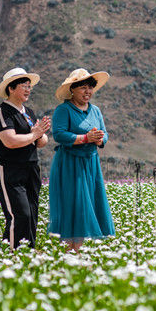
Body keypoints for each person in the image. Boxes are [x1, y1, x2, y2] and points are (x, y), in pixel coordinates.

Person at [48, 68, 115, 252]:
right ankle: (71, 250)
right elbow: (59, 135)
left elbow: (104, 133)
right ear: (73, 90)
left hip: (90, 163)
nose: (88, 92)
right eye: (83, 88)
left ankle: (79, 250)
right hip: (70, 163)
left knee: (88, 205)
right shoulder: (64, 110)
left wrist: (100, 139)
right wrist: (85, 138)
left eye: (90, 88)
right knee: (74, 205)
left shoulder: (95, 110)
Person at [0, 67, 51, 250]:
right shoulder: (3, 112)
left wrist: (40, 134)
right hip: (10, 168)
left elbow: (41, 142)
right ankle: (12, 254)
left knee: (32, 213)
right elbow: (10, 141)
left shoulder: (29, 112)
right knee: (19, 214)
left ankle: (28, 252)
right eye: (23, 86)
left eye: (29, 86)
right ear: (11, 88)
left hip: (31, 167)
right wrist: (34, 135)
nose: (27, 90)